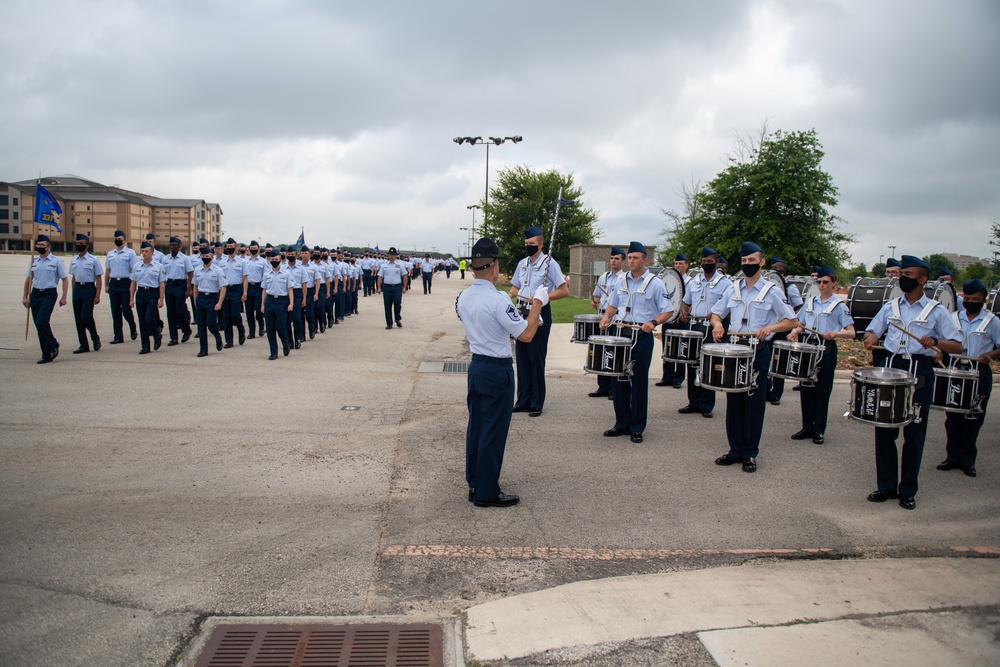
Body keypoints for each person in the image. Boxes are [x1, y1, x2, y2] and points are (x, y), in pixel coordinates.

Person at [862, 255, 962, 510]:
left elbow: (958, 346)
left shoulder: (936, 311)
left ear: (922, 279)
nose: (902, 279)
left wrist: (936, 343)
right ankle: (886, 486)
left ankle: (907, 489)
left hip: (920, 370)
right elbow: (874, 330)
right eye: (901, 274)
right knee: (884, 429)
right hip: (891, 367)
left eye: (907, 275)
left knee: (914, 432)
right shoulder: (891, 307)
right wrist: (871, 337)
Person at [457, 238, 546, 508]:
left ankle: (475, 482)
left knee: (477, 427)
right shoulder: (497, 299)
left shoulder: (463, 297)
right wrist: (538, 305)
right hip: (496, 370)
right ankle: (486, 491)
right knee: (493, 431)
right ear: (494, 266)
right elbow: (527, 334)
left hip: (477, 366)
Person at [709, 242, 798, 473]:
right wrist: (717, 325)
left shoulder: (772, 291)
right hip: (735, 349)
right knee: (734, 401)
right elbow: (716, 314)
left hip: (757, 351)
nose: (748, 264)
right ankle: (734, 450)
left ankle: (750, 453)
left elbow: (791, 321)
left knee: (754, 402)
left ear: (762, 262)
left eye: (752, 260)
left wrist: (770, 328)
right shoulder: (733, 288)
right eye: (744, 261)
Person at [599, 242, 674, 443]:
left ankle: (637, 426)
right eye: (629, 257)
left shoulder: (655, 283)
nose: (631, 261)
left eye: (635, 258)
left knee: (638, 381)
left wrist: (654, 322)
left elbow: (668, 310)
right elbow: (613, 305)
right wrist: (606, 317)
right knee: (618, 379)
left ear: (645, 260)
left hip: (641, 334)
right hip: (621, 333)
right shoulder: (621, 280)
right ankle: (621, 423)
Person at [937, 280, 1000, 478]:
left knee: (973, 417)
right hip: (955, 370)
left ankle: (968, 460)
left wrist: (989, 355)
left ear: (983, 300)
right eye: (968, 298)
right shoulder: (953, 318)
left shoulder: (992, 321)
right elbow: (944, 341)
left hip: (979, 371)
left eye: (976, 299)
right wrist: (939, 352)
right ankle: (952, 457)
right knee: (953, 417)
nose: (971, 302)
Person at [787, 266, 855, 444]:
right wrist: (795, 331)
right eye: (819, 282)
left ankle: (819, 429)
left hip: (826, 349)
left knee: (822, 391)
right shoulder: (810, 302)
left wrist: (837, 334)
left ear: (834, 283)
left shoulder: (839, 306)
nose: (822, 285)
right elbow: (800, 323)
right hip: (809, 348)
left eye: (826, 282)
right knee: (806, 389)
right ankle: (807, 427)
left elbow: (851, 332)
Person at [509, 226, 569, 417]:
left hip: (540, 312)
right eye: (526, 244)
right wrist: (508, 295)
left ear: (541, 244)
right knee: (522, 356)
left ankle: (536, 402)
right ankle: (523, 399)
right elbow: (515, 287)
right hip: (521, 312)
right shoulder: (522, 263)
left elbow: (563, 290)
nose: (528, 247)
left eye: (532, 244)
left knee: (536, 357)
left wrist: (544, 297)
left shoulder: (549, 264)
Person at [677, 247, 733, 418]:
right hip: (694, 326)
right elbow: (686, 303)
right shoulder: (694, 282)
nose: (706, 264)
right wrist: (683, 311)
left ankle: (707, 404)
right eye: (704, 262)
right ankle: (693, 401)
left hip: (712, 328)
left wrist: (717, 315)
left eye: (710, 262)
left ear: (716, 262)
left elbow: (730, 308)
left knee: (709, 365)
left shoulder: (726, 283)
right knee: (692, 363)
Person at [22, 234, 69, 363]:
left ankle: (53, 343)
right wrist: (25, 297)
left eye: (43, 245)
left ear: (48, 247)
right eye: (38, 245)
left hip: (49, 294)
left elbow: (65, 279)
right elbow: (28, 280)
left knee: (42, 321)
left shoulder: (56, 261)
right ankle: (46, 353)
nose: (40, 247)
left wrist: (64, 297)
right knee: (39, 325)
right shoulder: (34, 261)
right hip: (36, 294)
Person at [588, 246, 625, 398]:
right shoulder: (603, 277)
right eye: (612, 258)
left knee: (612, 352)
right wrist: (595, 301)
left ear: (623, 261)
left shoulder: (624, 279)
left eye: (617, 259)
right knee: (600, 351)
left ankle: (612, 388)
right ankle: (602, 386)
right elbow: (597, 295)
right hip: (602, 317)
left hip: (615, 319)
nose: (613, 261)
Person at [766, 257, 803, 406]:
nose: (775, 270)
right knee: (766, 360)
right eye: (773, 267)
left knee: (779, 361)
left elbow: (799, 306)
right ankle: (766, 391)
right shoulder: (767, 286)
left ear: (784, 271)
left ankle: (776, 394)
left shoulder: (790, 287)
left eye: (778, 268)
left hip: (782, 328)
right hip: (770, 328)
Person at [657, 253, 691, 388]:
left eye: (681, 263)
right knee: (667, 348)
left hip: (682, 320)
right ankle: (667, 377)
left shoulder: (690, 282)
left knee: (681, 349)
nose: (678, 266)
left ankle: (678, 378)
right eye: (676, 263)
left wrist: (686, 311)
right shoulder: (669, 279)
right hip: (669, 319)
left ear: (686, 265)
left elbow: (691, 301)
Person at [69, 233, 103, 353]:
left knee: (86, 316)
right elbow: (73, 277)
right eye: (77, 243)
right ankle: (83, 344)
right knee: (78, 319)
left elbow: (99, 278)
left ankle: (95, 336)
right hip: (78, 288)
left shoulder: (93, 260)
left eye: (81, 244)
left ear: (87, 245)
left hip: (89, 288)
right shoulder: (74, 260)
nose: (79, 245)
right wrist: (74, 292)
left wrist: (97, 295)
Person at [129, 241, 165, 354]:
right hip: (141, 293)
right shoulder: (137, 266)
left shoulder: (158, 266)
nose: (144, 253)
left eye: (147, 251)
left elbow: (162, 283)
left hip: (152, 293)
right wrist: (131, 298)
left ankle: (156, 335)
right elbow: (133, 283)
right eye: (142, 251)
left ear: (152, 253)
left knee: (149, 319)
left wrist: (161, 299)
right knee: (142, 321)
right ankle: (145, 346)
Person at [192, 246, 226, 356]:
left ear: (212, 257)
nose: (205, 258)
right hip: (201, 298)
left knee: (210, 323)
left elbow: (223, 287)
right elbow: (195, 286)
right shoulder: (197, 270)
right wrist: (195, 300)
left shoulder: (217, 271)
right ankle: (203, 349)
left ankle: (217, 336)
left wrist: (219, 302)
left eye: (207, 256)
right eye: (203, 256)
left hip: (212, 298)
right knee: (201, 325)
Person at [105, 229, 138, 344]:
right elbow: (108, 270)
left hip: (125, 283)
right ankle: (118, 336)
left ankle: (132, 326)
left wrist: (133, 285)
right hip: (114, 283)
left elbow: (134, 269)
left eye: (119, 239)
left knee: (125, 309)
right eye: (116, 239)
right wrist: (106, 284)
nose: (117, 241)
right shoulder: (110, 254)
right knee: (115, 311)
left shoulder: (130, 253)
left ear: (124, 240)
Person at [161, 236, 194, 346]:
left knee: (179, 310)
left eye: (175, 245)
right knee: (170, 312)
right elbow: (162, 273)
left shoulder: (185, 259)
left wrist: (188, 289)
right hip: (170, 284)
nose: (172, 247)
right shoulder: (165, 259)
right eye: (171, 245)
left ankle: (186, 329)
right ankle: (173, 337)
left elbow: (190, 273)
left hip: (180, 284)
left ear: (180, 246)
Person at [261, 249, 293, 360]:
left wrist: (291, 303)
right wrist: (262, 304)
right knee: (270, 329)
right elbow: (264, 290)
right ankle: (273, 352)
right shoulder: (266, 274)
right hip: (270, 301)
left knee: (280, 326)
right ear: (270, 260)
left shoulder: (286, 274)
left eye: (276, 259)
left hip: (282, 301)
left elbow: (290, 290)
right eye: (272, 259)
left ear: (280, 260)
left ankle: (285, 342)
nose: (274, 261)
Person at [219, 237, 248, 347]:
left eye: (232, 247)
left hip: (236, 289)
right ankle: (229, 340)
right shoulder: (222, 262)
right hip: (225, 289)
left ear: (236, 248)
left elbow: (245, 278)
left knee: (235, 314)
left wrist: (245, 292)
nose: (230, 248)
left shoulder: (241, 262)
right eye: (228, 247)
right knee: (226, 316)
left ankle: (241, 330)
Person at [377, 247, 407, 329]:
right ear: (388, 255)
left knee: (397, 304)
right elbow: (380, 277)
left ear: (396, 256)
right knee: (387, 306)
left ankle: (397, 318)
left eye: (393, 255)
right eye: (390, 255)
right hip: (387, 287)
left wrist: (404, 287)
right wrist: (379, 287)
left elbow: (404, 276)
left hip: (397, 287)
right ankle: (389, 323)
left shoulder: (400, 265)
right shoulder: (384, 266)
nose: (392, 256)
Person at [244, 240, 267, 339]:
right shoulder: (245, 261)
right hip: (248, 286)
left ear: (258, 249)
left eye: (255, 248)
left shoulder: (263, 261)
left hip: (258, 287)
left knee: (258, 310)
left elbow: (265, 276)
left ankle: (261, 327)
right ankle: (251, 331)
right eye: (251, 248)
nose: (253, 250)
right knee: (249, 311)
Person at [284, 250, 306, 348]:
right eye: (289, 254)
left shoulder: (301, 268)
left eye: (292, 254)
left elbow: (304, 284)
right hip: (286, 294)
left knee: (297, 318)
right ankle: (289, 341)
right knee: (287, 319)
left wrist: (304, 299)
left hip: (297, 293)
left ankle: (298, 338)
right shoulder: (283, 268)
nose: (290, 256)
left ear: (296, 255)